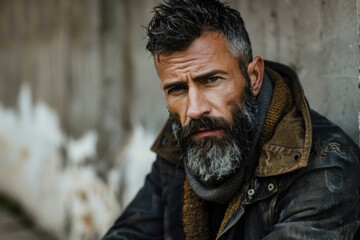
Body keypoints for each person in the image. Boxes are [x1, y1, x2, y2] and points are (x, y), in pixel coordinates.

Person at [103, 0, 360, 239]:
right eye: (177, 89)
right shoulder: (180, 144)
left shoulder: (325, 168)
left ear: (254, 77)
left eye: (212, 80)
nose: (194, 109)